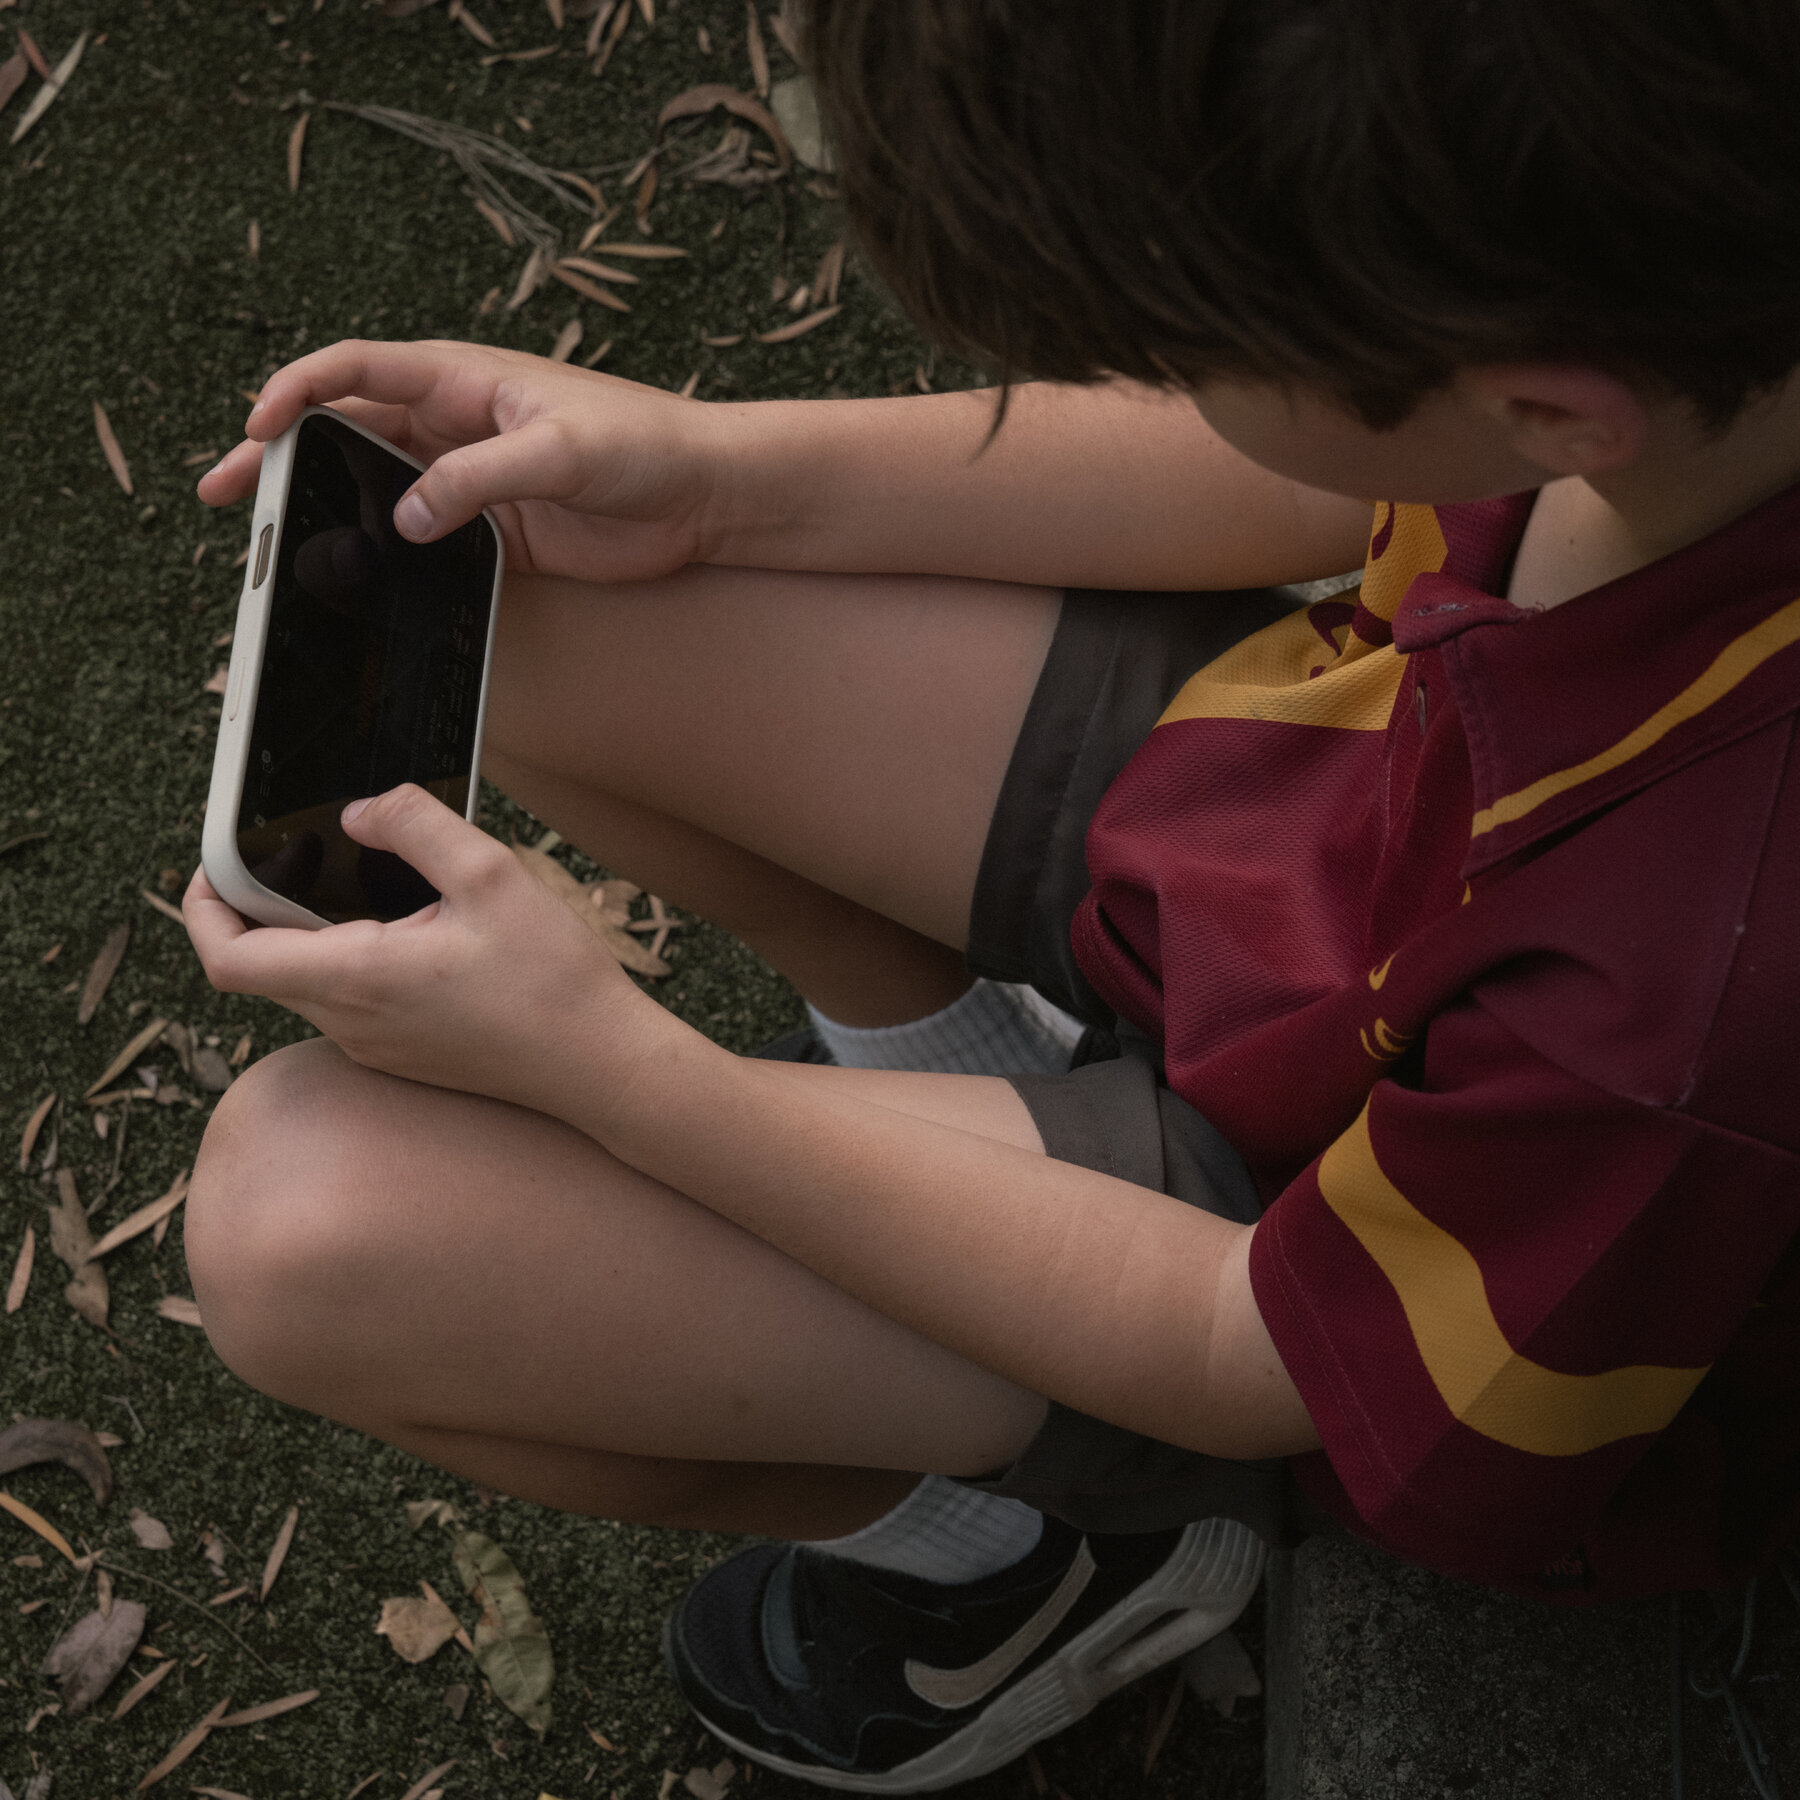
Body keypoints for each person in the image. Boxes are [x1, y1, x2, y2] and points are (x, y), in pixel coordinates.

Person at [182, 0, 1800, 1788]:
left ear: (1549, 408)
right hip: (1315, 809)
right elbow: (1295, 470)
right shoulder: (1669, 321)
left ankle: (1032, 1561)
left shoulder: (1686, 1002)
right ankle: (973, 1076)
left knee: (300, 1225)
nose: (1149, 367)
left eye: (1192, 338)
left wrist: (615, 1070)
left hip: (1306, 1258)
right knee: (501, 558)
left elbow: (1254, 1345)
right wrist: (711, 479)